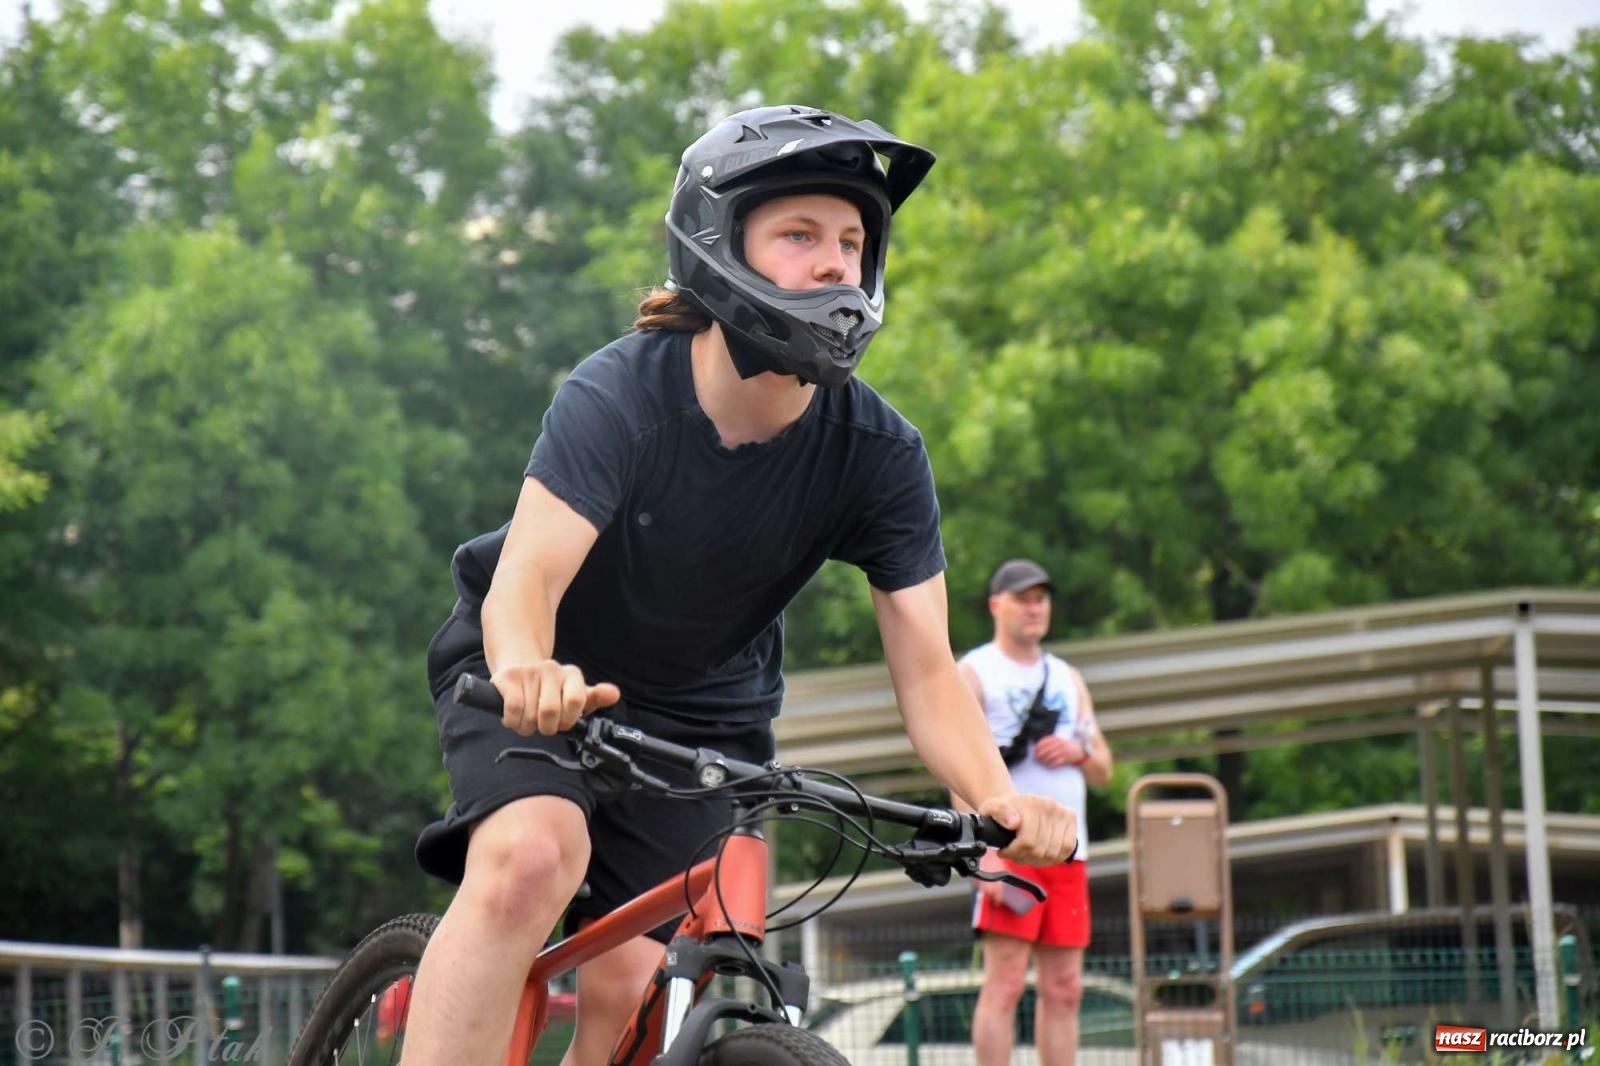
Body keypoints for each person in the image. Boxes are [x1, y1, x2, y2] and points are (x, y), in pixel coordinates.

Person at [401, 105, 1078, 1066]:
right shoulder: (619, 395)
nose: (836, 264)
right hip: (542, 675)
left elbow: (930, 673)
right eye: (800, 235)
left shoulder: (880, 456)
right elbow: (527, 583)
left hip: (703, 717)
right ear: (720, 244)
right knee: (532, 859)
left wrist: (998, 800)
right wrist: (525, 671)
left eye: (852, 242)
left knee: (639, 992)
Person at [959, 558, 1113, 1066]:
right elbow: (956, 764)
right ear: (995, 605)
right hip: (1010, 848)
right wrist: (980, 853)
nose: (1034, 608)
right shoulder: (974, 672)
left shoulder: (1067, 677)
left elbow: (1105, 767)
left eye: (1041, 598)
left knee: (1065, 987)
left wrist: (1077, 751)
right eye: (1022, 598)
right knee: (1004, 983)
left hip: (1068, 851)